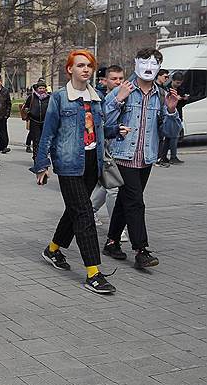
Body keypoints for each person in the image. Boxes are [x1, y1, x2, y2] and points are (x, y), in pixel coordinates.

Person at [32, 50, 118, 295]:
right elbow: (47, 133)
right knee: (84, 215)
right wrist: (41, 165)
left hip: (93, 162)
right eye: (80, 65)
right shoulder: (59, 98)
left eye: (89, 66)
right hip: (69, 164)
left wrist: (115, 130)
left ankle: (52, 249)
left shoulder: (97, 97)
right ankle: (93, 273)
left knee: (74, 210)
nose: (86, 70)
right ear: (69, 69)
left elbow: (98, 129)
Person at [102, 48, 182, 269]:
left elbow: (171, 132)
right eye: (144, 62)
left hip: (146, 157)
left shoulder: (162, 95)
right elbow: (102, 120)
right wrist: (118, 100)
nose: (149, 68)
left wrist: (172, 111)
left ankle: (111, 241)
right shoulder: (123, 90)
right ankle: (141, 249)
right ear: (136, 63)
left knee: (124, 201)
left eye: (154, 63)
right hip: (123, 155)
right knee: (135, 201)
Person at [91, 65, 125, 234]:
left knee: (109, 184)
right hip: (105, 147)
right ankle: (116, 228)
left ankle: (91, 210)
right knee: (113, 188)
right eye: (114, 79)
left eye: (120, 79)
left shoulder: (125, 95)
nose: (118, 82)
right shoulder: (101, 97)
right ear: (105, 80)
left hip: (120, 147)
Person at [157, 71, 186, 166]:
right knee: (173, 136)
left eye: (180, 83)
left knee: (169, 138)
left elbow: (181, 105)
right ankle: (172, 157)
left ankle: (163, 156)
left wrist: (183, 99)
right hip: (168, 115)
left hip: (177, 114)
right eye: (177, 82)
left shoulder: (181, 89)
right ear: (173, 80)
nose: (178, 84)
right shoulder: (167, 89)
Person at [21, 80, 50, 161]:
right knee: (36, 140)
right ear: (37, 89)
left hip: (45, 121)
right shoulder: (32, 97)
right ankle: (36, 157)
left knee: (44, 140)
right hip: (34, 121)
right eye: (40, 88)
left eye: (43, 88)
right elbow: (26, 107)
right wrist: (29, 112)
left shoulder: (49, 98)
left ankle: (43, 157)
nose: (41, 90)